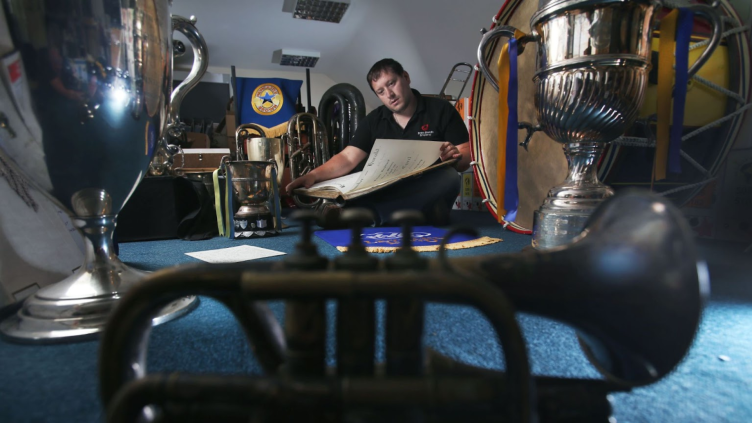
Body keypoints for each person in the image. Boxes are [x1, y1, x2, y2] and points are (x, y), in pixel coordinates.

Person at [285, 58, 471, 227]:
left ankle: (367, 216)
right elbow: (348, 158)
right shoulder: (374, 119)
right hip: (388, 189)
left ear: (405, 77)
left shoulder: (441, 109)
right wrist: (313, 176)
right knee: (358, 178)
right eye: (381, 91)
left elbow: (466, 154)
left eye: (392, 83)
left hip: (425, 188)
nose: (389, 94)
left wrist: (455, 155)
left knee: (449, 177)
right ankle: (412, 215)